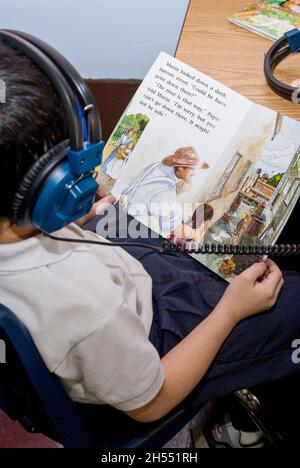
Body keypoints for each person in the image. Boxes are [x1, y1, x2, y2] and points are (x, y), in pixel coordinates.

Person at [1, 38, 300, 444]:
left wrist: (81, 217)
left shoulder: (35, 246)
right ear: (47, 187)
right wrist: (230, 311)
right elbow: (151, 402)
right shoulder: (87, 306)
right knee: (291, 299)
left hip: (118, 293)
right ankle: (240, 429)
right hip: (149, 352)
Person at [120, 147, 210, 237]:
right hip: (129, 228)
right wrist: (194, 234)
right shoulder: (166, 188)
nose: (194, 173)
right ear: (181, 168)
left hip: (122, 215)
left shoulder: (158, 166)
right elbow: (170, 226)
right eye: (192, 169)